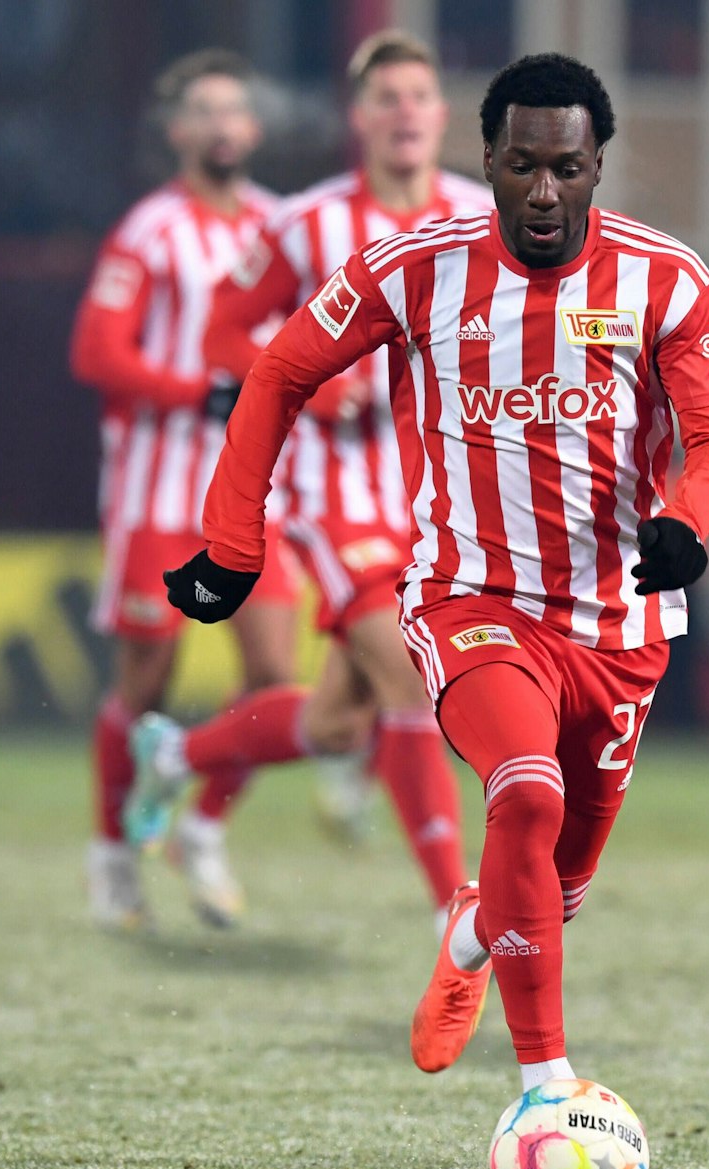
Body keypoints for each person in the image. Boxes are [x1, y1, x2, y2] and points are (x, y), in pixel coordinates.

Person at [160, 54, 709, 1093]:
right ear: (486, 160)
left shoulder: (668, 278)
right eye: (522, 166)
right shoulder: (413, 266)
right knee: (524, 790)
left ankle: (475, 930)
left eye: (566, 168)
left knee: (554, 891)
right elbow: (280, 369)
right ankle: (545, 1090)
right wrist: (233, 543)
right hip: (470, 599)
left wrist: (686, 522)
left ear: (597, 166)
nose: (544, 191)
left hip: (620, 625)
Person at [122, 31, 494, 921]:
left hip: (442, 504)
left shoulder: (482, 217)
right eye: (387, 97)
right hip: (335, 493)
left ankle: (176, 759)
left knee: (339, 722)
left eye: (418, 96)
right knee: (414, 676)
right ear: (358, 117)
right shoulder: (306, 223)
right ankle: (455, 910)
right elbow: (221, 335)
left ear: (442, 115)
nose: (404, 112)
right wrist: (319, 381)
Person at [70, 49, 299, 931]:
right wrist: (197, 391)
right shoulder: (149, 230)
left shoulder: (282, 225)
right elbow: (97, 351)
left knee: (275, 680)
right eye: (203, 110)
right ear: (176, 131)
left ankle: (202, 827)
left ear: (256, 128)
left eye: (234, 109)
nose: (221, 124)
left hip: (255, 491)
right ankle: (110, 856)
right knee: (148, 682)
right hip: (160, 490)